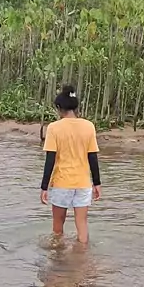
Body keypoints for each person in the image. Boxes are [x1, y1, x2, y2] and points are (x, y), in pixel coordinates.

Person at [40, 85, 101, 245]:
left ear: (59, 108)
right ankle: (82, 256)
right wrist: (97, 183)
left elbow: (50, 160)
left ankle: (57, 257)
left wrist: (44, 187)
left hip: (62, 183)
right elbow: (93, 157)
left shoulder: (54, 128)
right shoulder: (89, 126)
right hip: (83, 184)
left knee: (58, 227)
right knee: (82, 224)